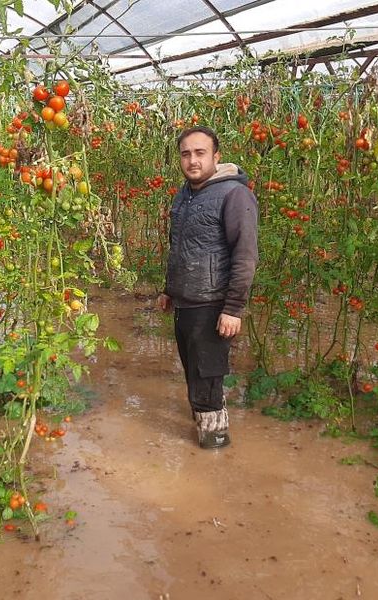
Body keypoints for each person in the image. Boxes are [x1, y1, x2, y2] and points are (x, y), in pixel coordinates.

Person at [157, 126, 258, 449]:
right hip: (186, 301)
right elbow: (181, 246)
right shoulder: (185, 194)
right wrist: (169, 289)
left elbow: (245, 254)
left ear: (216, 156)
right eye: (186, 154)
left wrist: (232, 309)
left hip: (211, 304)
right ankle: (204, 422)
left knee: (207, 376)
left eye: (200, 153)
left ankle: (215, 443)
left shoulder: (234, 194)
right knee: (194, 371)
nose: (192, 160)